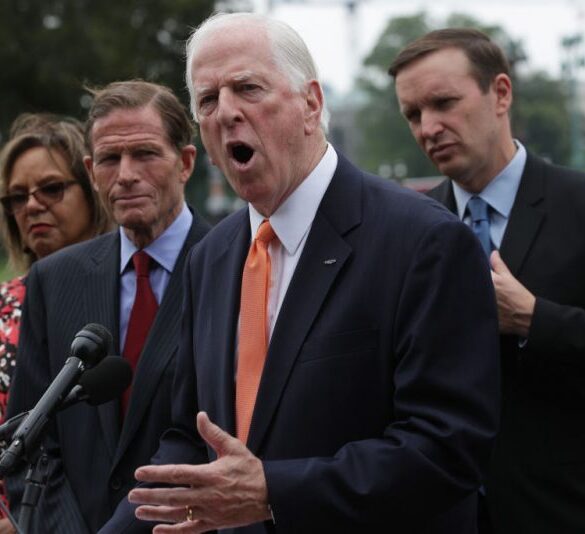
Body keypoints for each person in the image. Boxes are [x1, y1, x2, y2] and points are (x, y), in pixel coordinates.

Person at [101, 13, 499, 534]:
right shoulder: (211, 258)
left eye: (247, 88)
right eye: (208, 100)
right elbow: (191, 434)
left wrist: (272, 491)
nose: (226, 113)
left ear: (311, 103)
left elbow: (447, 450)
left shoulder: (425, 242)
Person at [390, 28, 585, 534]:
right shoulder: (405, 226)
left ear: (500, 93)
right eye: (413, 114)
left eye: (444, 103)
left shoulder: (578, 203)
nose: (428, 127)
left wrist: (532, 318)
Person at [4, 81, 210, 533]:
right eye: (111, 160)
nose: (127, 174)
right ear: (91, 170)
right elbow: (30, 441)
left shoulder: (232, 264)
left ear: (186, 162)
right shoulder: (53, 280)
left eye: (146, 154)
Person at [0, 112, 113, 532]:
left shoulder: (132, 295)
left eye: (51, 188)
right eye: (16, 197)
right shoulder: (3, 307)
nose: (31, 205)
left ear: (92, 188)